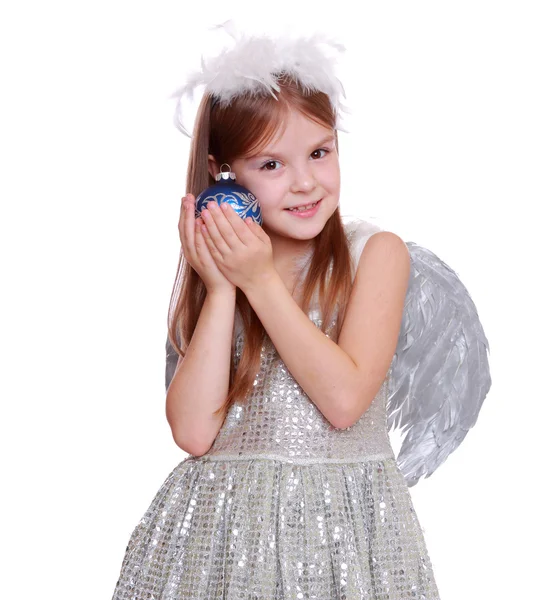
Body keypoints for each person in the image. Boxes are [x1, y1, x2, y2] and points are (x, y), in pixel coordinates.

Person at [111, 24, 447, 600]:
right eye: (271, 166)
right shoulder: (221, 274)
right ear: (225, 174)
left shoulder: (376, 254)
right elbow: (193, 433)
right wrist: (221, 291)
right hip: (221, 541)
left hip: (346, 537)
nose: (305, 182)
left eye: (319, 152)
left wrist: (259, 281)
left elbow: (343, 402)